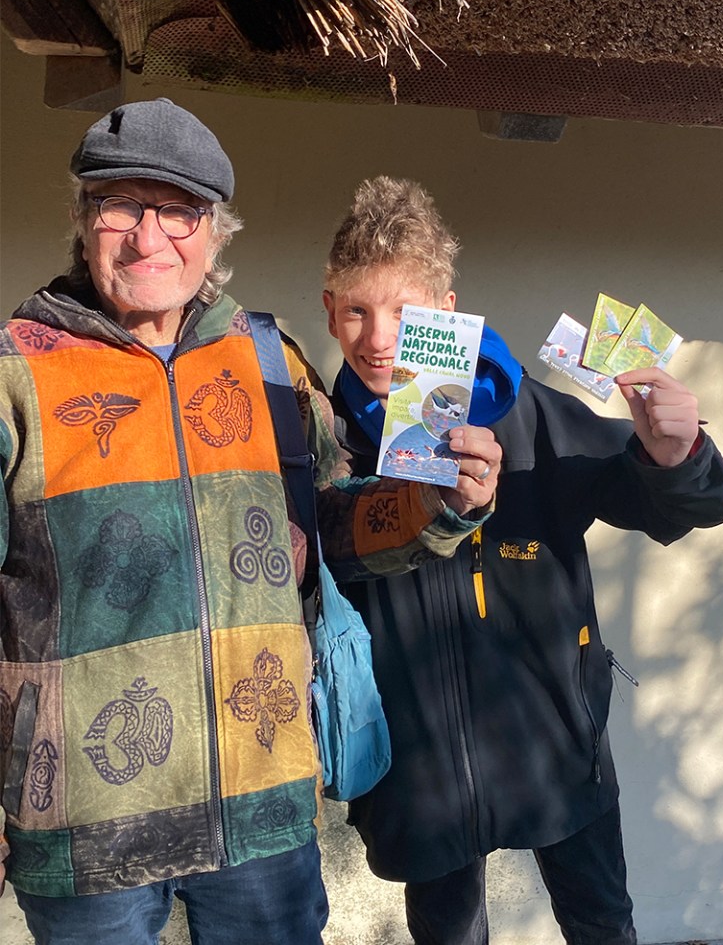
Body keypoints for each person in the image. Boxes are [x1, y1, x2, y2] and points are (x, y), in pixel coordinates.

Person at [0, 102, 502, 945]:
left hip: (261, 820)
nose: (147, 237)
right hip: (84, 833)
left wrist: (436, 504)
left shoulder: (270, 361)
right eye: (120, 204)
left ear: (215, 233)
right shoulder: (16, 375)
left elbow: (332, 528)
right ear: (86, 221)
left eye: (179, 211)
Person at [322, 176, 723, 945]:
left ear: (445, 312)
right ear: (330, 310)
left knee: (603, 925)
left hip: (559, 746)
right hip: (418, 773)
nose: (379, 338)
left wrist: (679, 455)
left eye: (404, 311)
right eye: (356, 309)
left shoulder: (532, 416)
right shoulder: (329, 440)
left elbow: (684, 505)